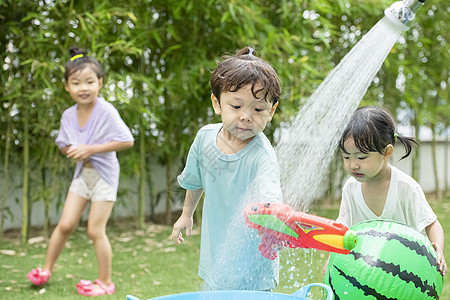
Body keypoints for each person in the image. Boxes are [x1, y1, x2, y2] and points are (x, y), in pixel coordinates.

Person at [171, 46, 282, 291]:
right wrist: (186, 214)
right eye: (236, 106)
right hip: (216, 253)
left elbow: (270, 198)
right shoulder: (204, 139)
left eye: (258, 109)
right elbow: (195, 180)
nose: (246, 116)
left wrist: (274, 226)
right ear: (217, 103)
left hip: (256, 261)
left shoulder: (262, 155)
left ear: (271, 111)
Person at [27, 47, 134, 296]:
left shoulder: (106, 111)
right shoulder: (67, 115)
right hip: (82, 176)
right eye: (76, 83)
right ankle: (46, 270)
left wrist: (90, 149)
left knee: (95, 230)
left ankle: (106, 283)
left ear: (100, 83)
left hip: (105, 177)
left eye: (89, 82)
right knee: (65, 225)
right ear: (67, 86)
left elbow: (127, 140)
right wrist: (73, 151)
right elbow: (64, 144)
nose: (83, 88)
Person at [335, 105, 447, 275]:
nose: (353, 164)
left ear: (386, 152)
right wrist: (333, 259)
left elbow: (432, 224)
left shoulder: (406, 188)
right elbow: (342, 229)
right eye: (346, 157)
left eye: (361, 157)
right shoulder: (350, 189)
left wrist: (438, 249)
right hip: (368, 273)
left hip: (408, 271)